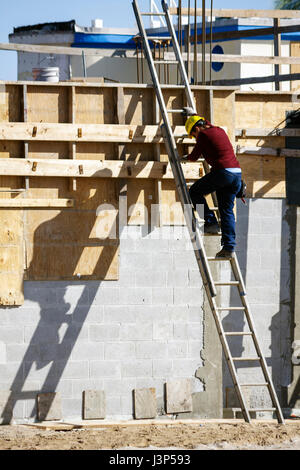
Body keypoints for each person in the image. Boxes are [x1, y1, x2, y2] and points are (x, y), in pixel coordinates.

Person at [181, 115, 242, 258]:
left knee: (195, 192)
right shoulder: (219, 130)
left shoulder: (203, 135)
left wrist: (186, 157)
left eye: (193, 135)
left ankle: (210, 221)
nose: (195, 138)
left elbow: (194, 157)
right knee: (226, 210)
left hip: (224, 173)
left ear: (197, 128)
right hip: (236, 174)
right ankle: (229, 247)